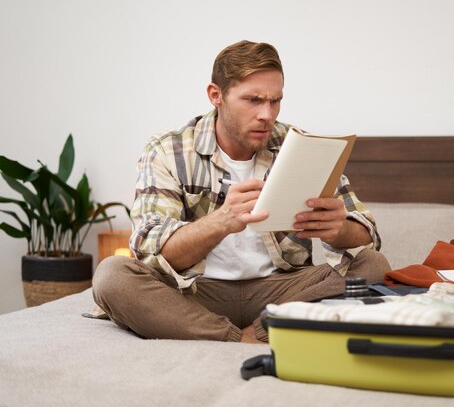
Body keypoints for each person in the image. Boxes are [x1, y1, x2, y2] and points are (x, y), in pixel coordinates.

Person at [92, 40, 390, 343]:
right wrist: (221, 221)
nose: (267, 114)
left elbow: (368, 236)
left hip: (282, 290)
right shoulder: (169, 150)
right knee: (111, 276)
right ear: (216, 95)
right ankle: (242, 339)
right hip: (196, 292)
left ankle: (256, 330)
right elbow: (150, 252)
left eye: (275, 101)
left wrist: (339, 230)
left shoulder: (300, 146)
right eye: (253, 100)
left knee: (373, 267)